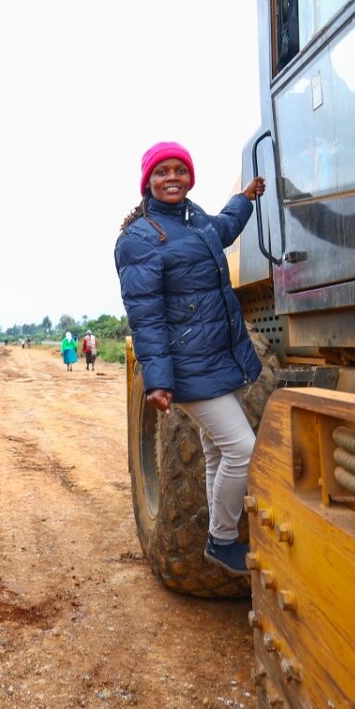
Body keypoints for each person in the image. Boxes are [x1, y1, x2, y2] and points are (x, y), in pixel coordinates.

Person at [113, 142, 266, 577]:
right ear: (148, 181)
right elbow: (146, 317)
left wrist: (245, 198)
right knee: (242, 449)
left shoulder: (194, 220)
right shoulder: (139, 238)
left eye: (180, 169)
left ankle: (218, 534)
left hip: (216, 357)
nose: (173, 178)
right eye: (163, 172)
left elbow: (224, 228)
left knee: (219, 451)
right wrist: (158, 381)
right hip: (189, 368)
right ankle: (221, 540)